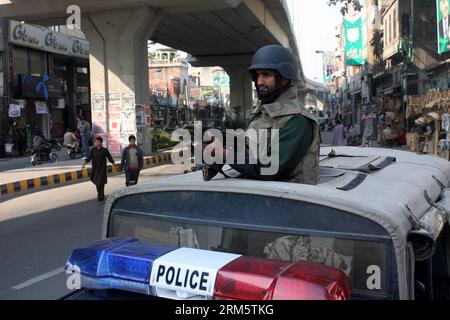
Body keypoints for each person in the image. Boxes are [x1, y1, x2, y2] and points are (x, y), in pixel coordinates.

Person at [203, 44, 320, 185]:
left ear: (284, 78)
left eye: (266, 74)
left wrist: (225, 154)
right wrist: (221, 141)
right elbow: (249, 150)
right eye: (257, 75)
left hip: (289, 200)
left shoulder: (298, 121)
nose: (259, 81)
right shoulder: (263, 115)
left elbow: (270, 168)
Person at [82, 137, 116, 203]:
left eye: (98, 142)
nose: (97, 143)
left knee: (101, 184)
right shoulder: (93, 150)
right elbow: (89, 158)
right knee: (98, 184)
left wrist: (114, 165)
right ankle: (100, 195)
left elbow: (110, 158)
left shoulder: (104, 150)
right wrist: (84, 164)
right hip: (95, 170)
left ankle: (101, 199)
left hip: (102, 170)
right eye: (96, 142)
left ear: (101, 143)